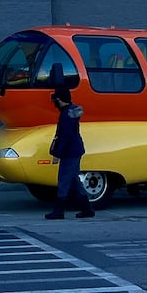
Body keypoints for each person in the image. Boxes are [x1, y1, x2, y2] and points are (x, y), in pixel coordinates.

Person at [46, 87, 95, 220]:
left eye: (56, 100)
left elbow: (65, 137)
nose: (55, 102)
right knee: (75, 180)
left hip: (69, 152)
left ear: (60, 100)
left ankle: (59, 211)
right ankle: (87, 209)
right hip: (75, 150)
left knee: (64, 180)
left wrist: (57, 154)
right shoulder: (72, 111)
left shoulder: (66, 115)